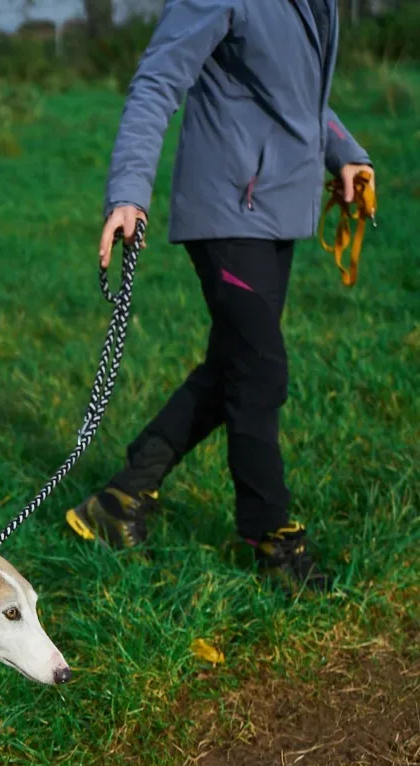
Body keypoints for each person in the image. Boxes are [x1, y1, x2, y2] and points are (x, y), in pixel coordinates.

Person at [65, 0, 374, 592]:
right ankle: (271, 537)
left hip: (277, 209)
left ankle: (122, 498)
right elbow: (156, 80)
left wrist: (346, 152)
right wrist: (129, 191)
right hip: (228, 210)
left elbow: (298, 94)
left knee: (236, 362)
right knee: (260, 370)